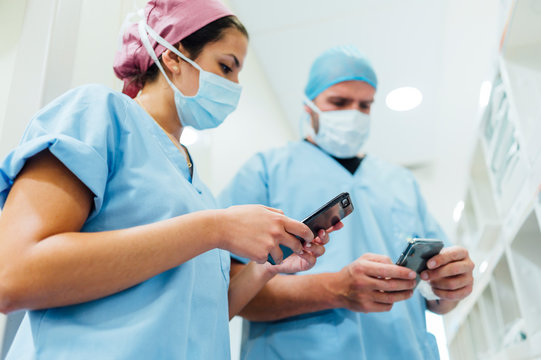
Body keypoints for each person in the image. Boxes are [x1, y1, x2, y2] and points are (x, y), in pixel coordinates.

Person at [0, 1, 334, 358]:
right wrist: (216, 229)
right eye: (226, 66)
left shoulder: (198, 187)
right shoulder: (98, 113)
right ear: (173, 57)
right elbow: (14, 273)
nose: (235, 86)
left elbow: (197, 317)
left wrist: (262, 271)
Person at [219, 45, 475, 359]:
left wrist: (448, 289)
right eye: (339, 102)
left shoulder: (400, 181)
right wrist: (337, 289)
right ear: (308, 107)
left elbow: (434, 298)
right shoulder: (267, 171)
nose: (353, 113)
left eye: (365, 105)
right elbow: (228, 292)